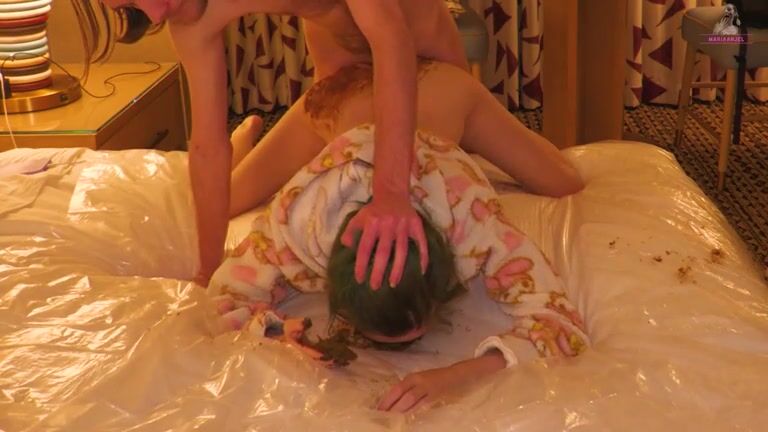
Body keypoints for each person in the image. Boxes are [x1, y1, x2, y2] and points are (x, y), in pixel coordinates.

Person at [206, 60, 589, 412]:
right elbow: (223, 297)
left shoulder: (471, 218)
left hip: (438, 91)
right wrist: (278, 332)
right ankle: (241, 143)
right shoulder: (298, 221)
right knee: (223, 200)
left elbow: (560, 325)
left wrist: (458, 375)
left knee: (565, 181)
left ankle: (471, 130)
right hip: (342, 98)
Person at [82, 0, 469, 288]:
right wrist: (209, 272)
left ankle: (250, 142)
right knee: (224, 203)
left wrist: (391, 194)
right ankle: (244, 144)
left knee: (440, 197)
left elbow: (392, 41)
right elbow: (206, 148)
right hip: (341, 69)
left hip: (419, 50)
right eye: (131, 8)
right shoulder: (187, 16)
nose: (154, 15)